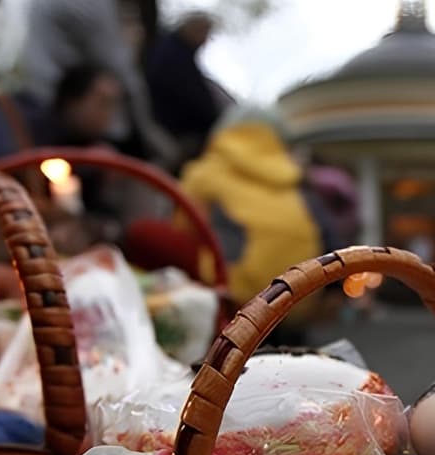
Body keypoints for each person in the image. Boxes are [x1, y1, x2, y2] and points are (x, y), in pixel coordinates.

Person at [121, 107, 327, 344]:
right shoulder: (294, 180)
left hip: (238, 291)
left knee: (143, 233)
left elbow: (183, 224)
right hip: (298, 297)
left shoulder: (206, 171)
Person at [16, 0, 177, 166]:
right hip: (68, 111)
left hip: (47, 99)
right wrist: (151, 135)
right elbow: (117, 62)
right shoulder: (92, 5)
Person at [144, 12, 225, 163]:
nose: (205, 40)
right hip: (173, 134)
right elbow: (186, 93)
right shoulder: (171, 53)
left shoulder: (182, 54)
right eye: (204, 32)